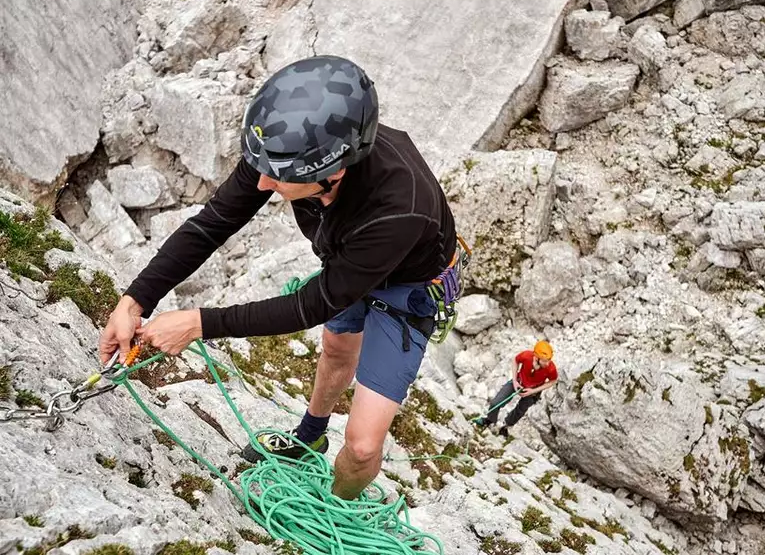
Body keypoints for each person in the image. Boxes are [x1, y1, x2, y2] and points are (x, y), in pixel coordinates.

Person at [98, 55, 459, 501]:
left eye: (279, 178)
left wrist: (198, 324)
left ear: (334, 173)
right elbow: (213, 223)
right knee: (336, 347)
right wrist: (135, 301)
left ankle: (336, 509)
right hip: (350, 259)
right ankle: (311, 435)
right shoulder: (287, 152)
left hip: (408, 291)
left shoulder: (398, 208)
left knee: (364, 447)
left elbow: (312, 304)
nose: (263, 184)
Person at [475, 341, 558, 436]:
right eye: (544, 360)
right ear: (537, 358)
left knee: (520, 411)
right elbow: (515, 360)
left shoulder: (551, 368)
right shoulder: (527, 356)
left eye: (548, 360)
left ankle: (505, 426)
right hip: (518, 382)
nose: (547, 363)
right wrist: (514, 381)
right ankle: (489, 420)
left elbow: (553, 380)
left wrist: (533, 391)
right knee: (496, 402)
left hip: (532, 392)